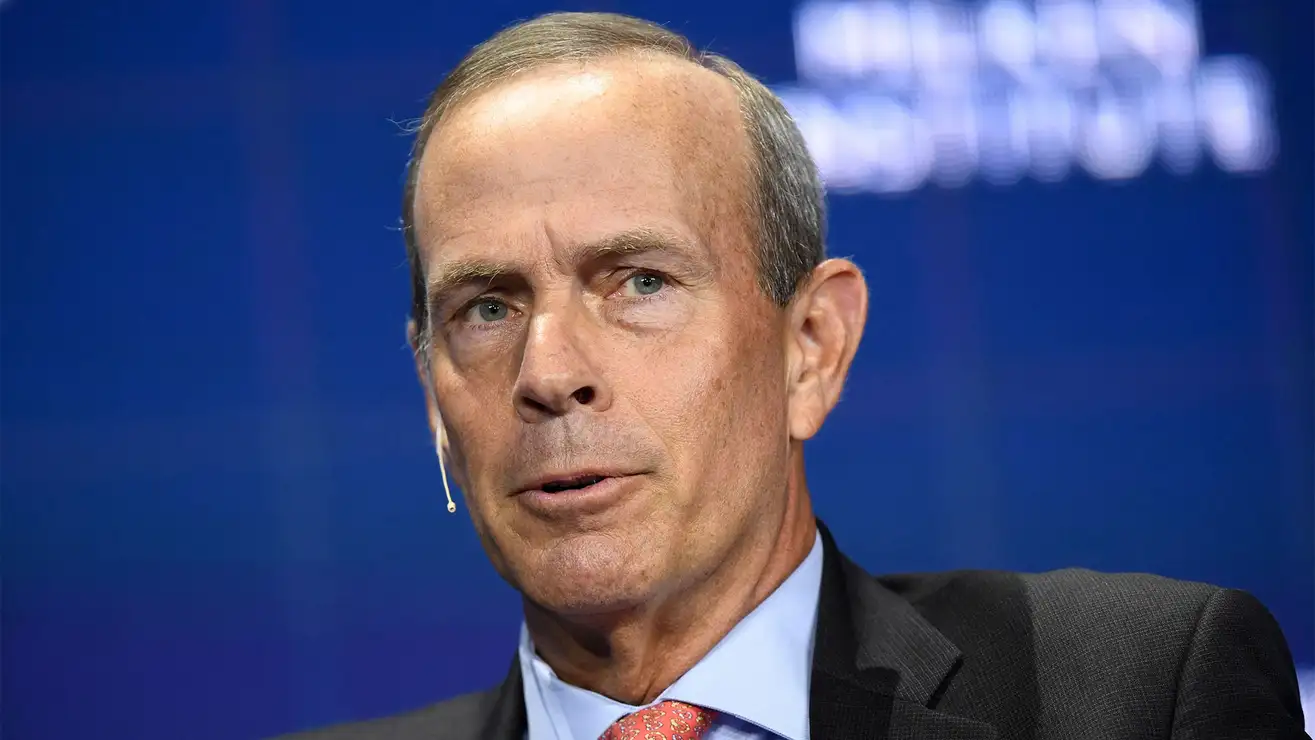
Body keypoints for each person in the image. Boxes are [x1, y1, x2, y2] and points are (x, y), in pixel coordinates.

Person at [281, 11, 1307, 740]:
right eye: (486, 308)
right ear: (433, 394)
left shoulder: (1132, 694)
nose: (547, 372)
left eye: (640, 281)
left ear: (810, 344)